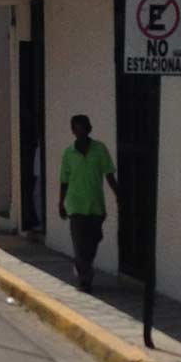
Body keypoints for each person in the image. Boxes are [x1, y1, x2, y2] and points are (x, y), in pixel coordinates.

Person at [57, 114, 119, 293]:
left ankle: (82, 266)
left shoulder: (100, 150)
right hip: (76, 206)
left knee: (93, 243)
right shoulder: (68, 153)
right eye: (76, 128)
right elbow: (64, 181)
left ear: (89, 129)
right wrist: (61, 203)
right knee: (79, 244)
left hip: (95, 206)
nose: (80, 132)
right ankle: (85, 280)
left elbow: (109, 175)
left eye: (83, 128)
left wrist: (118, 195)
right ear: (73, 131)